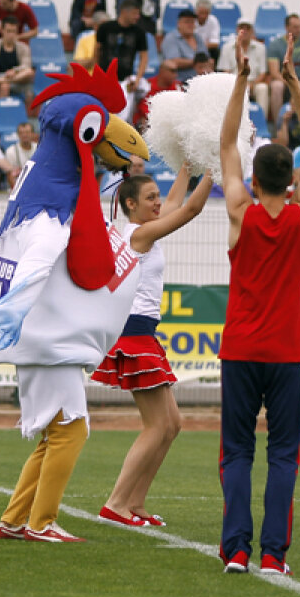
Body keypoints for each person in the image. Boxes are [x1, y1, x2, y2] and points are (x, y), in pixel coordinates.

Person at [217, 36, 300, 576]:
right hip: (285, 351)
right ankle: (274, 556)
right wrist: (294, 84)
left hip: (240, 347)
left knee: (237, 452)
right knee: (283, 455)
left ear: (255, 181)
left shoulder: (240, 211)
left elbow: (227, 143)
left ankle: (237, 549)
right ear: (294, 179)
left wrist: (241, 80)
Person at [94, 166, 213, 526]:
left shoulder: (142, 227)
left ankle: (135, 502)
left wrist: (188, 165)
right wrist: (215, 170)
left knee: (171, 424)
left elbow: (175, 201)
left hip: (142, 332)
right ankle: (115, 503)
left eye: (157, 196)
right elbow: (190, 209)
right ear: (130, 204)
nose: (159, 202)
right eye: (150, 198)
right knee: (157, 425)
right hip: (134, 334)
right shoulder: (139, 234)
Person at [95, 0, 149, 119]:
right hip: (105, 78)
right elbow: (97, 50)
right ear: (124, 12)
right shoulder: (105, 28)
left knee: (124, 115)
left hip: (125, 79)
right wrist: (97, 72)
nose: (137, 17)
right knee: (103, 112)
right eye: (135, 13)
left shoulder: (139, 32)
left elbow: (144, 57)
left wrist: (138, 78)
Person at [216, 19, 269, 119]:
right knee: (226, 88)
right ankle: (228, 120)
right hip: (234, 82)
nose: (244, 31)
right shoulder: (226, 47)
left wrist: (252, 84)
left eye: (248, 28)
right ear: (237, 30)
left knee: (263, 88)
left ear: (252, 31)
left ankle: (262, 120)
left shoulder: (261, 48)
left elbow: (263, 73)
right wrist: (240, 84)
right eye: (241, 28)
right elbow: (226, 72)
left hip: (254, 83)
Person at [0, 17, 34, 102]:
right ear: (2, 31)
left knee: (29, 72)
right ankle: (2, 109)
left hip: (16, 79)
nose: (11, 35)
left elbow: (26, 65)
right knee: (5, 86)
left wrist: (15, 71)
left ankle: (4, 81)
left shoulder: (24, 47)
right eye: (8, 31)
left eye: (14, 31)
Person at [160, 9, 201, 82]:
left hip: (200, 79)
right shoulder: (170, 38)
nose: (190, 25)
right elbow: (173, 62)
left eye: (192, 22)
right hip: (180, 81)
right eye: (187, 22)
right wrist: (198, 62)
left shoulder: (197, 37)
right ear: (179, 23)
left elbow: (208, 59)